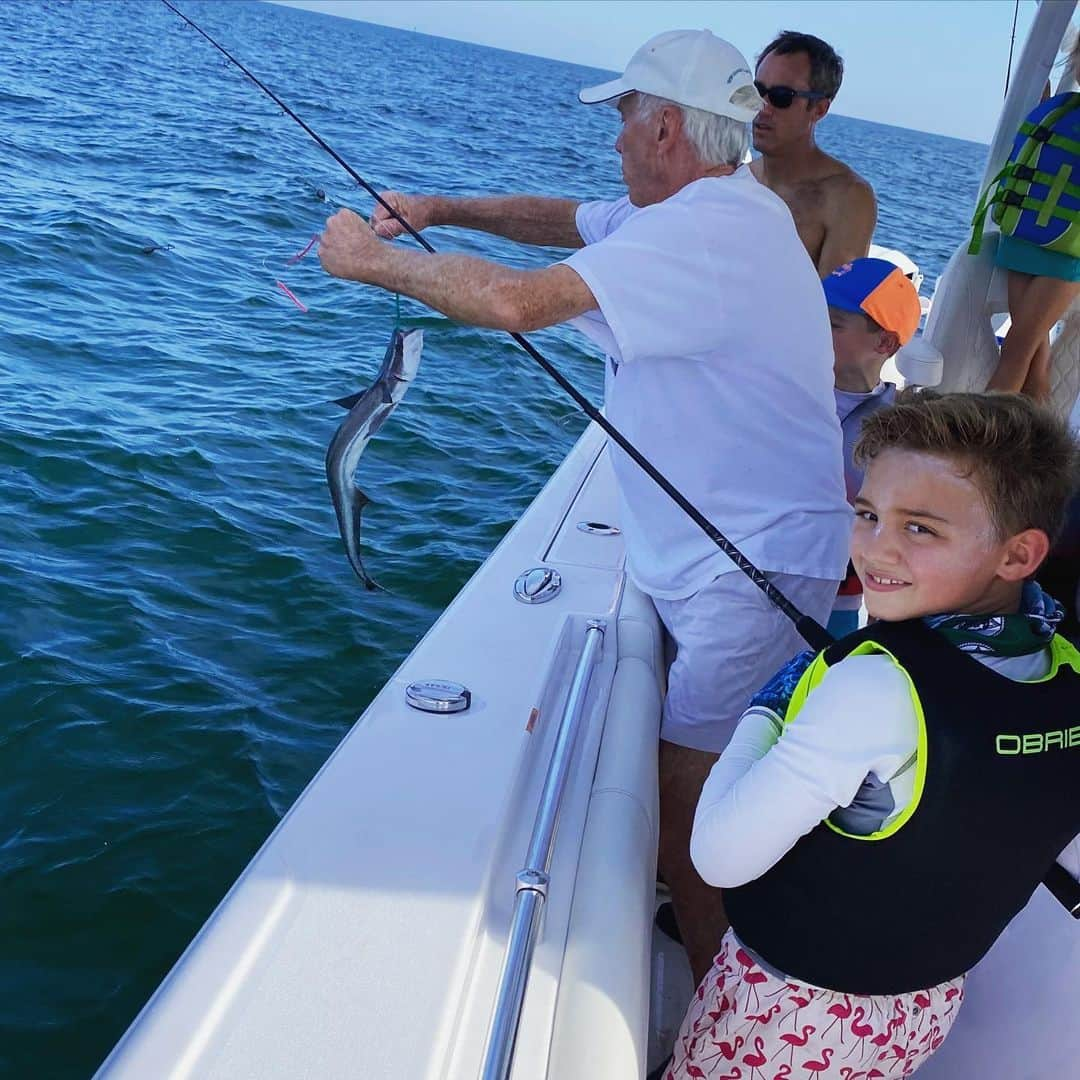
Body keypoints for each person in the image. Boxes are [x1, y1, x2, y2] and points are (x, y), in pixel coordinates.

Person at [318, 29, 850, 987]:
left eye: (624, 118)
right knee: (684, 770)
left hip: (748, 569)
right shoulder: (713, 205)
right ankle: (704, 932)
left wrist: (369, 262)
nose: (613, 140)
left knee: (688, 792)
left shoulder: (704, 233)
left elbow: (520, 304)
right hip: (722, 551)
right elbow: (562, 220)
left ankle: (715, 1001)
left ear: (668, 130)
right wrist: (442, 207)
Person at [665, 390, 1080, 1080]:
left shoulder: (872, 687)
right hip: (919, 1012)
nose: (875, 548)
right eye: (867, 513)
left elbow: (717, 857)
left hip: (790, 1015)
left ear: (1018, 555)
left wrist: (772, 703)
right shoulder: (1064, 667)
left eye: (920, 528)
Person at [824, 257, 922, 636]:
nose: (814, 326)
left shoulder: (901, 430)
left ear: (884, 342)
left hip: (839, 602)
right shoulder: (778, 388)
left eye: (834, 324)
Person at [985, 39, 1080, 402]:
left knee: (1016, 350)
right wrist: (1030, 82)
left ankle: (979, 439)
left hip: (1067, 253)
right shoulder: (1059, 108)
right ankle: (1034, 442)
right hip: (1021, 238)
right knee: (1034, 359)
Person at [750, 31, 877, 275]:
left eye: (781, 97)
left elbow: (831, 308)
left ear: (819, 109)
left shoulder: (846, 198)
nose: (762, 108)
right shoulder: (734, 178)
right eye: (757, 91)